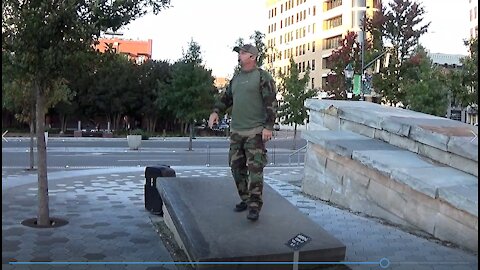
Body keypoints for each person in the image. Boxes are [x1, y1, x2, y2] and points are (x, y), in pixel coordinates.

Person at [208, 44, 277, 221]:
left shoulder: (262, 77)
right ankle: (246, 199)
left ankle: (255, 205)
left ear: (253, 57)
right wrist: (216, 111)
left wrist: (268, 127)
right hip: (236, 132)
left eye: (243, 52)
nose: (240, 54)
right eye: (239, 52)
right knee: (236, 167)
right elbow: (226, 98)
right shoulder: (236, 79)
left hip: (255, 132)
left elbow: (271, 102)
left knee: (255, 170)